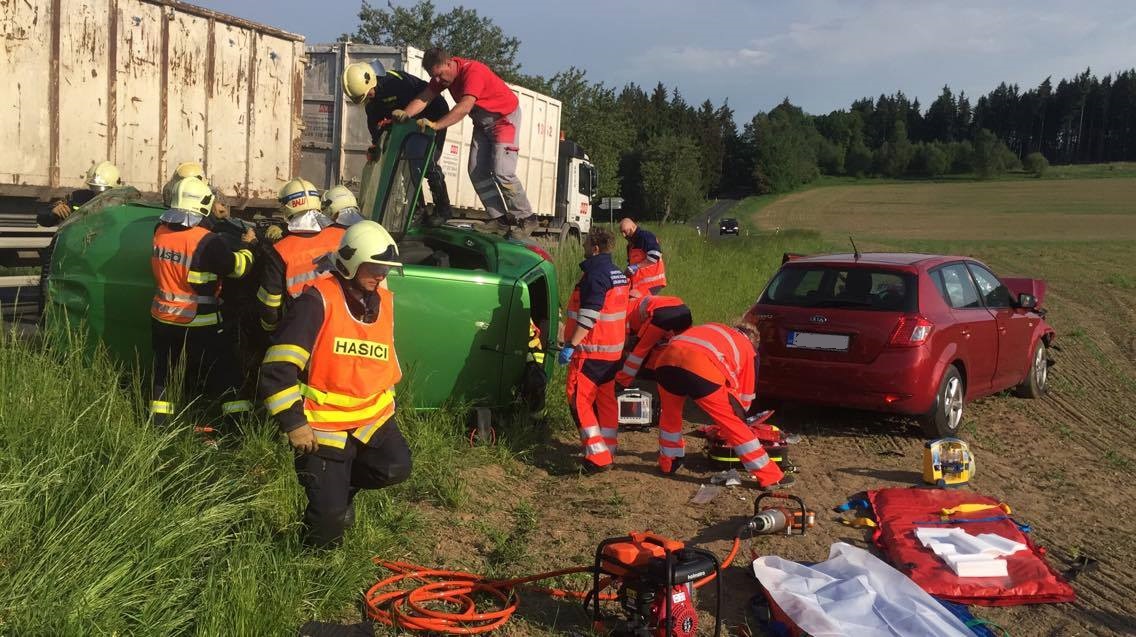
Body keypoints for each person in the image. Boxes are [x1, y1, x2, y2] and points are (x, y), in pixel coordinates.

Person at [258, 220, 411, 549]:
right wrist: (293, 424)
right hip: (322, 428)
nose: (381, 275)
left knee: (396, 467)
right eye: (374, 267)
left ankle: (341, 490)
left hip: (373, 419)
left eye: (385, 268)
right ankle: (315, 570)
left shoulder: (382, 300)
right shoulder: (316, 302)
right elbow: (277, 369)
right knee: (328, 523)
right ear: (351, 264)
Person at [149, 178, 255, 432]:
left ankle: (159, 427)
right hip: (199, 320)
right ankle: (238, 426)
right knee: (226, 370)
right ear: (204, 204)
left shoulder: (160, 230)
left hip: (162, 318)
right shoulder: (206, 240)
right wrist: (248, 247)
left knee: (164, 373)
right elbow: (237, 268)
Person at [396, 47, 536, 238]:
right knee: (476, 171)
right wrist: (406, 113)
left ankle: (526, 218)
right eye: (433, 76)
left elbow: (464, 107)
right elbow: (424, 97)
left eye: (438, 75)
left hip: (504, 119)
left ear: (448, 63)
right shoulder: (443, 77)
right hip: (482, 122)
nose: (437, 80)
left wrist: (437, 125)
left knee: (502, 171)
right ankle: (500, 220)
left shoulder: (473, 72)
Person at [651, 322, 791, 489]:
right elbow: (745, 396)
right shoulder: (748, 349)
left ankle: (668, 462)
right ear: (754, 341)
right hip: (699, 367)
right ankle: (770, 476)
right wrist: (742, 419)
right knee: (732, 424)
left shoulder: (715, 328)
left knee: (670, 415)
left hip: (665, 362)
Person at [341, 62, 452, 224]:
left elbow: (420, 102)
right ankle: (418, 209)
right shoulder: (371, 104)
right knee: (405, 165)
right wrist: (375, 147)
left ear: (371, 80)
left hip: (433, 112)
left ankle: (443, 208)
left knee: (424, 160)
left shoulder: (396, 83)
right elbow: (377, 128)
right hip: (408, 122)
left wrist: (410, 117)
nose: (368, 98)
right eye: (363, 98)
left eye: (368, 93)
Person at [558, 227, 630, 473]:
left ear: (595, 248)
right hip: (612, 352)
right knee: (606, 400)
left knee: (579, 400)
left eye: (586, 243)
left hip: (591, 351)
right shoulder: (617, 273)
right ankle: (608, 447)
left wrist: (571, 345)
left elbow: (589, 315)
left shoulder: (595, 275)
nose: (583, 247)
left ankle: (597, 457)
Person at [257, 178, 345, 332]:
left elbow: (270, 305)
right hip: (342, 321)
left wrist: (270, 331)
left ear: (286, 208)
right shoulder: (344, 235)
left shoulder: (280, 250)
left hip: (303, 327)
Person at [615, 294, 693, 387]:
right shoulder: (635, 302)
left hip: (662, 314)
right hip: (683, 310)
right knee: (685, 347)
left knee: (639, 352)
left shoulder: (621, 314)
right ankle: (690, 374)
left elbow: (624, 341)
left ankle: (622, 381)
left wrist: (623, 352)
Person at [619, 218, 667, 298]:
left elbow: (654, 256)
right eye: (621, 232)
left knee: (635, 303)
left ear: (633, 228)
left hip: (652, 283)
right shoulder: (630, 245)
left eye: (625, 231)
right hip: (640, 285)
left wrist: (636, 266)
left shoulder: (645, 237)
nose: (623, 235)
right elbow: (631, 265)